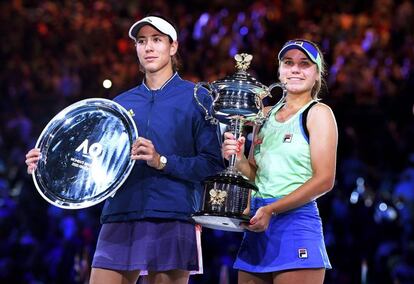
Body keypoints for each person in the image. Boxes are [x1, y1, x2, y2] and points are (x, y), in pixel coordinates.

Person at [25, 15, 224, 284]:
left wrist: (161, 161)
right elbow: (93, 155)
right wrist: (48, 161)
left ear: (173, 47)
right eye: (142, 41)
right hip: (120, 212)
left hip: (172, 214)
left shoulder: (198, 97)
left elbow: (212, 165)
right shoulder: (120, 103)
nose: (149, 48)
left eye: (157, 40)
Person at [222, 39, 338, 284]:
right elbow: (255, 174)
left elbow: (325, 179)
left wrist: (272, 209)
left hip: (295, 224)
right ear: (279, 70)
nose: (295, 69)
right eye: (288, 63)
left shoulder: (318, 113)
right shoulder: (263, 114)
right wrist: (239, 160)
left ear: (317, 74)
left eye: (304, 64)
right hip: (257, 223)